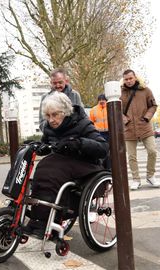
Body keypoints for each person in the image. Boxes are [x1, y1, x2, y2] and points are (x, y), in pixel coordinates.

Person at [25, 91, 108, 239]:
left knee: (52, 170)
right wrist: (39, 146)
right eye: (48, 116)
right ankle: (39, 219)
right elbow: (47, 144)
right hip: (62, 162)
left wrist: (79, 143)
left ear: (66, 112)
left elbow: (102, 147)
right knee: (43, 167)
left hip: (86, 164)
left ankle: (47, 220)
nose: (51, 120)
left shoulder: (82, 123)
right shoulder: (50, 128)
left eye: (55, 115)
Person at [121, 69, 159, 190]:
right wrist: (124, 120)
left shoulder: (146, 90)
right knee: (132, 156)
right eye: (126, 79)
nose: (129, 81)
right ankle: (136, 179)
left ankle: (150, 175)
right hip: (129, 128)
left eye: (130, 78)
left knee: (152, 151)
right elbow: (116, 109)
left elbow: (153, 105)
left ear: (135, 78)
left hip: (145, 126)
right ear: (124, 80)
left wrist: (147, 117)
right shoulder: (120, 93)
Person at [89, 94, 111, 170]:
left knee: (110, 152)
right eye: (100, 100)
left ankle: (109, 167)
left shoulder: (110, 108)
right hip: (99, 133)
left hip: (109, 132)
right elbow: (91, 122)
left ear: (106, 100)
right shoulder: (93, 110)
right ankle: (102, 167)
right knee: (102, 152)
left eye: (103, 100)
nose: (101, 101)